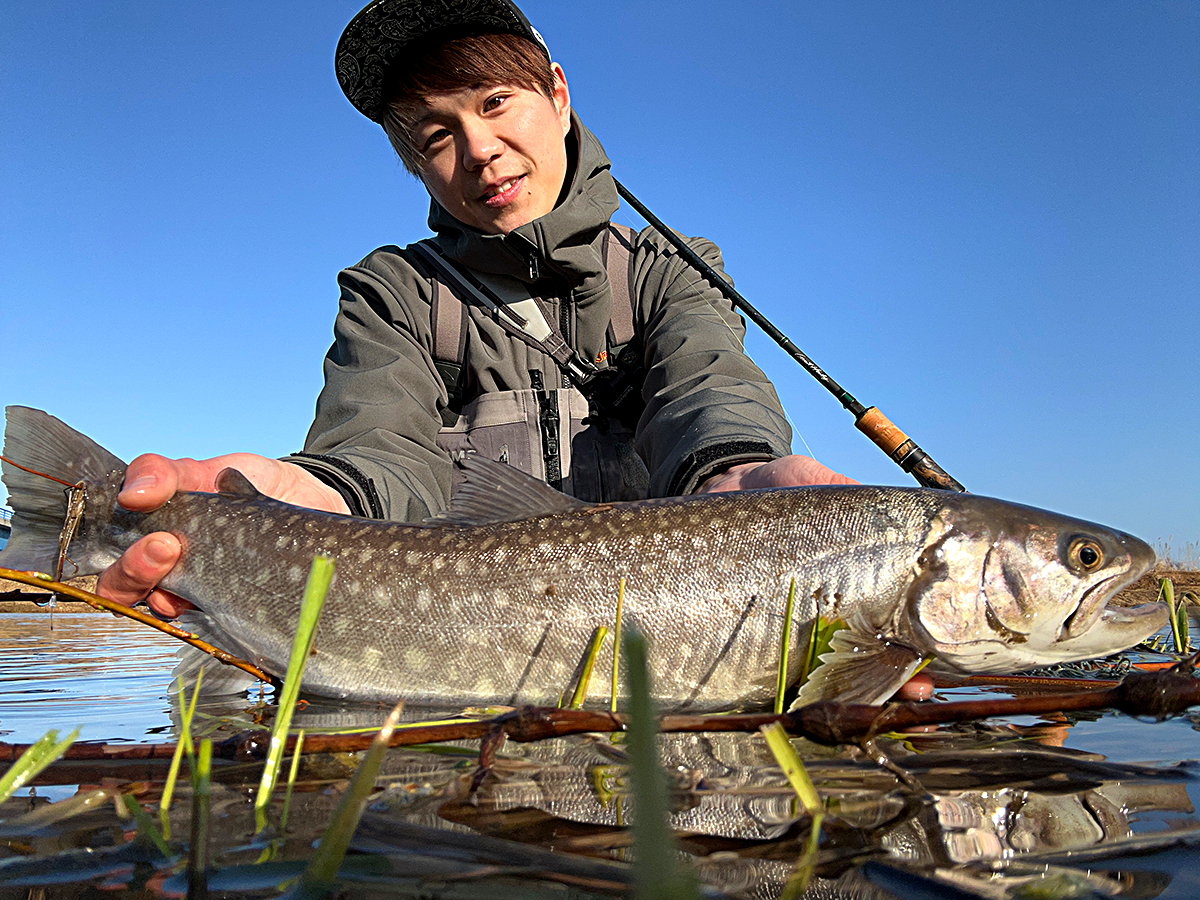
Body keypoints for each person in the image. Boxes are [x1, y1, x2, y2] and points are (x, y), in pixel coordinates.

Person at [96, 0, 932, 701]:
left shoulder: (674, 272)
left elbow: (709, 398)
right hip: (440, 660)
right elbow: (372, 450)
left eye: (495, 102)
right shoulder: (393, 292)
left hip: (667, 640)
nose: (480, 148)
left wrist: (745, 480)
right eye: (436, 134)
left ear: (559, 95)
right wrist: (293, 497)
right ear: (414, 165)